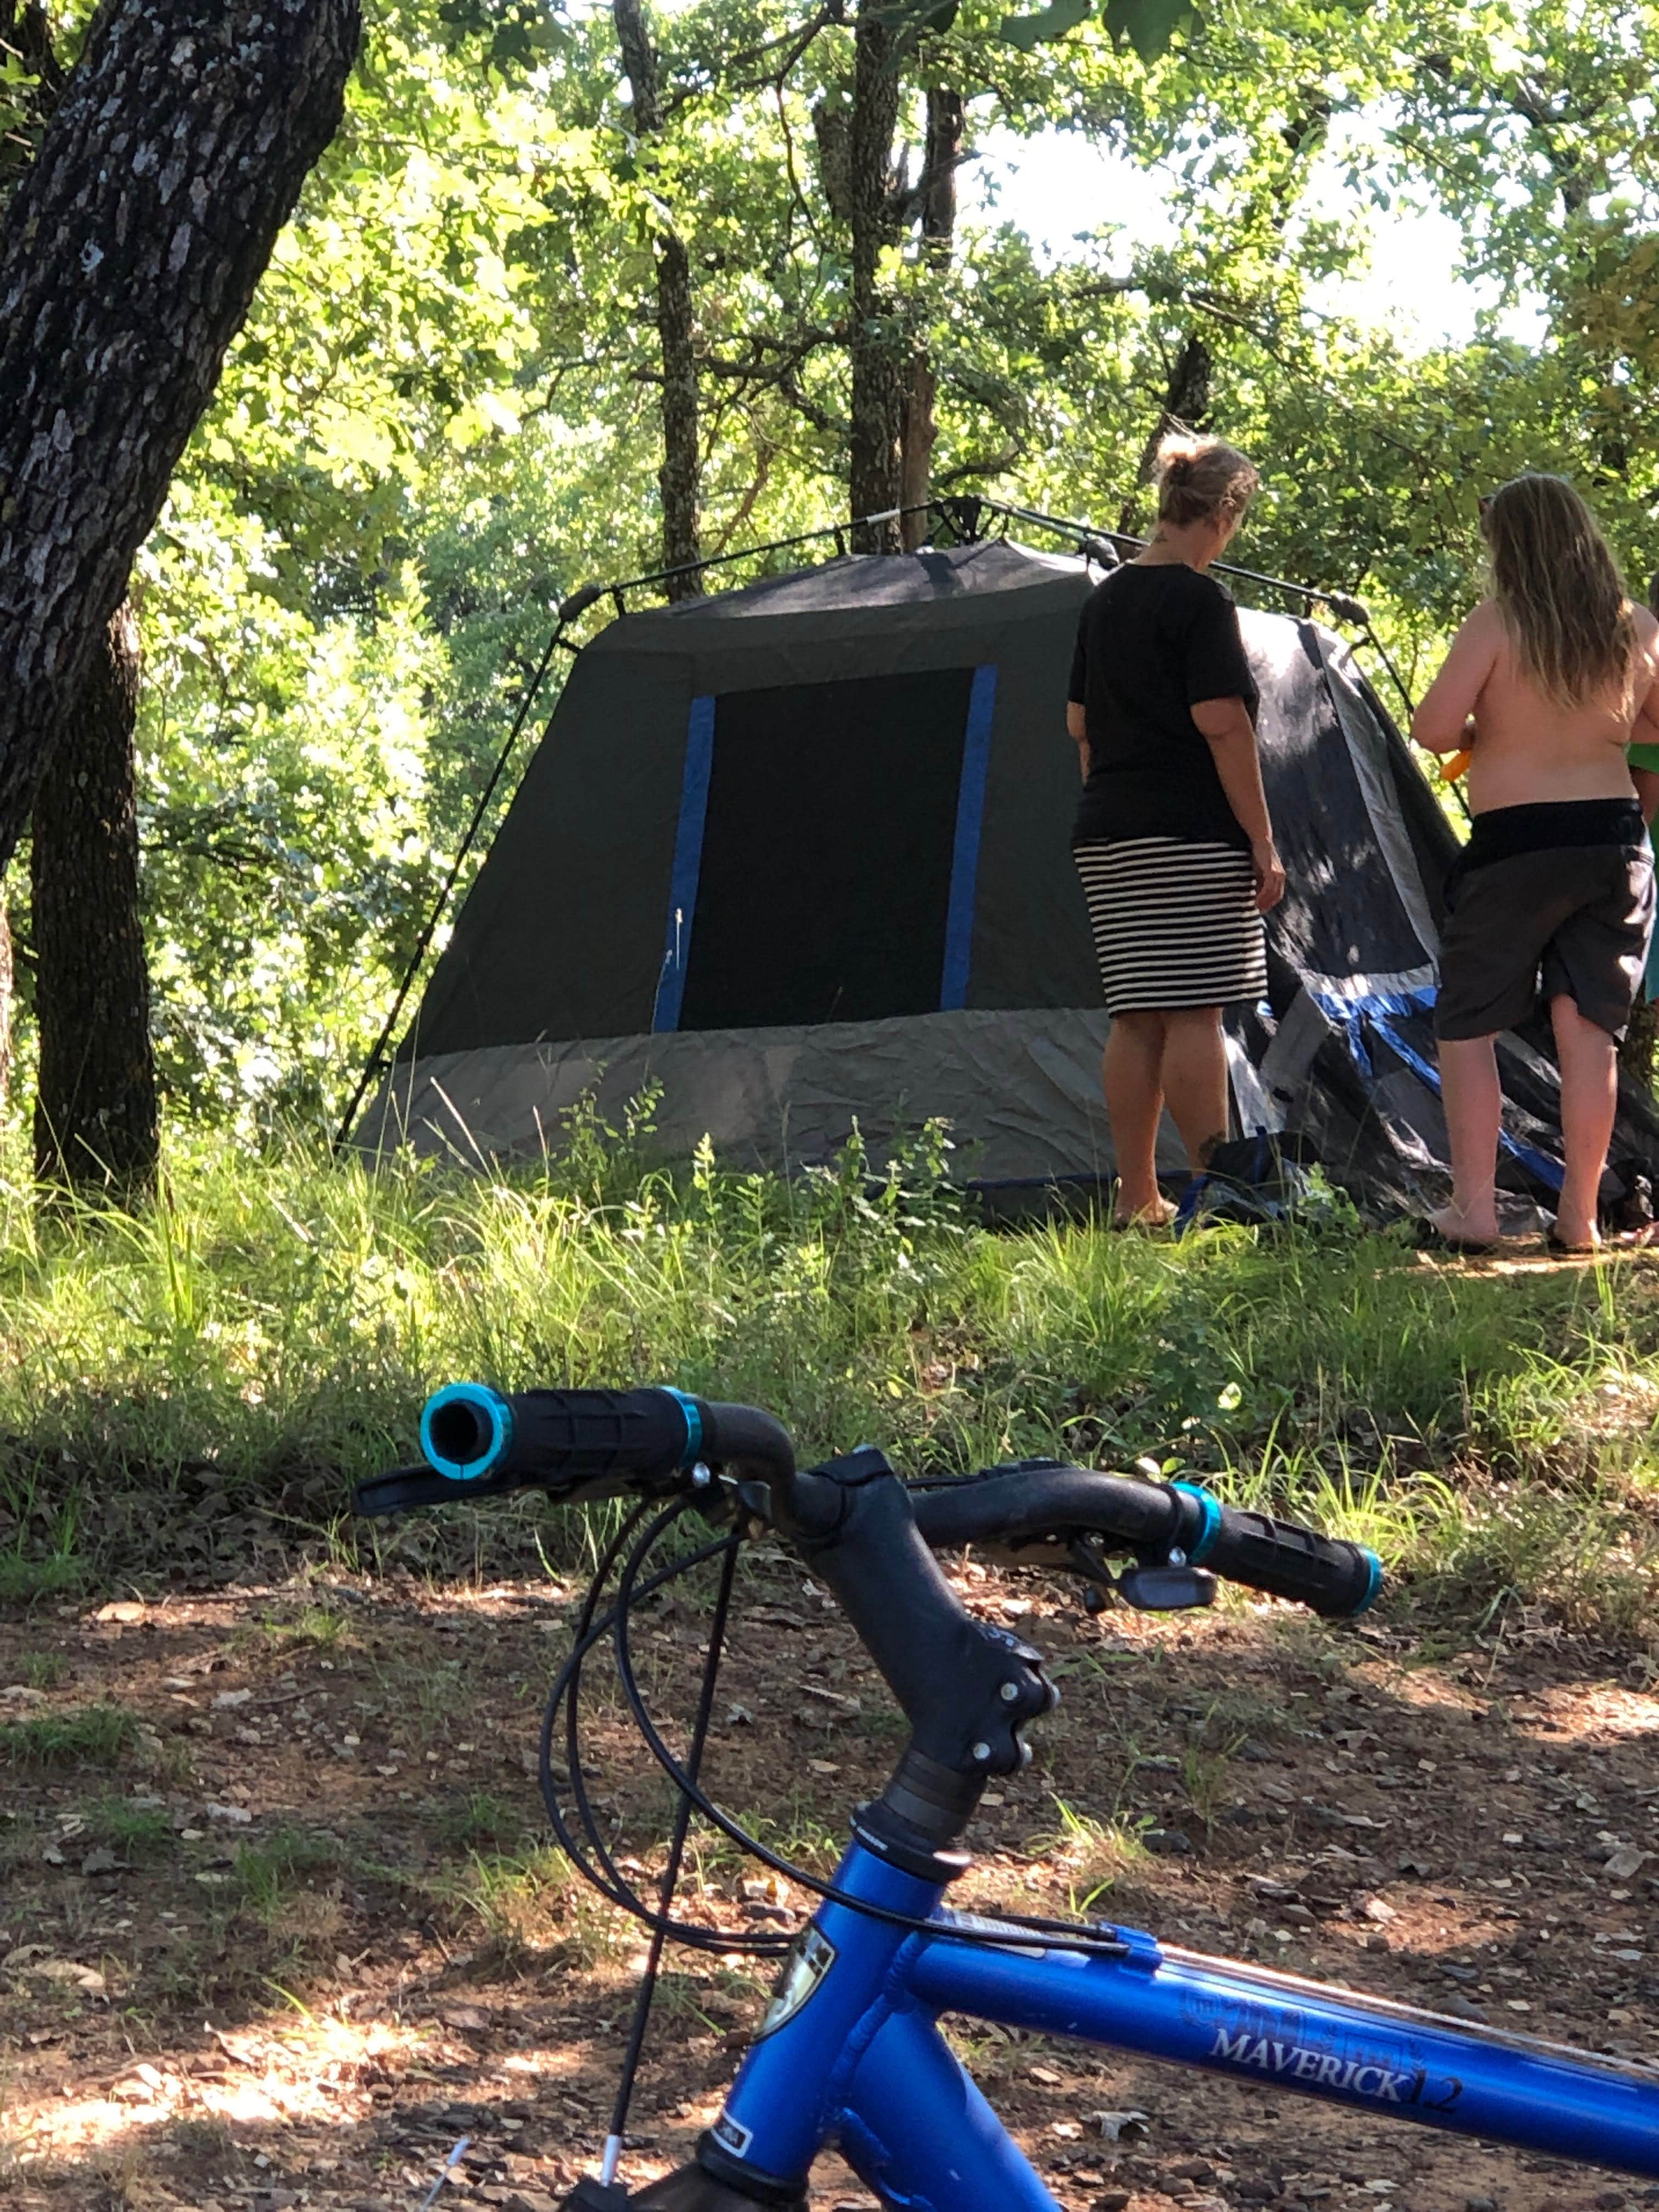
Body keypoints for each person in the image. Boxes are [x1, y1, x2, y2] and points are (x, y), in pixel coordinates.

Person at [1411, 474, 1659, 1254]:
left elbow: (1434, 728)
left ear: (1510, 544)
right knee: (1590, 1031)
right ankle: (1579, 1218)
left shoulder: (1497, 622)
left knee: (1471, 1023)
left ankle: (1475, 1210)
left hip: (1516, 846)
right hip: (1614, 842)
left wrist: (1495, 728)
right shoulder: (1635, 627)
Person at [1066, 433, 1285, 1227]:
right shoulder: (1199, 603)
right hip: (1190, 832)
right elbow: (1222, 724)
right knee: (1195, 1009)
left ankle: (1137, 1198)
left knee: (1136, 1014)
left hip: (1107, 832)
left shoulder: (1103, 602)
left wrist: (1118, 812)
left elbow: (1080, 726)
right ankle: (1214, 1187)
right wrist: (1261, 840)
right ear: (1222, 514)